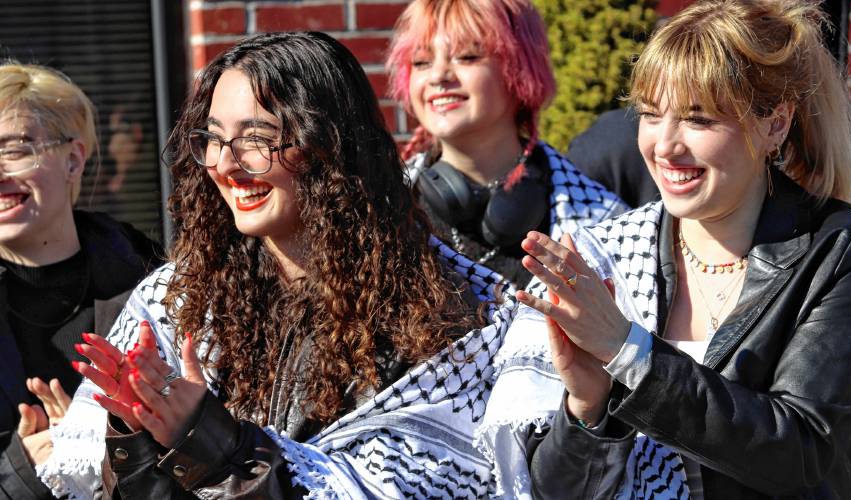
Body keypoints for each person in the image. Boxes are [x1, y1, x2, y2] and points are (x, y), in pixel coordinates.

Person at [39, 32, 518, 499]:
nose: (226, 165)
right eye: (213, 138)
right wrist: (136, 429)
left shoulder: (438, 314)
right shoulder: (183, 297)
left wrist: (207, 439)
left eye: (258, 138)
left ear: (330, 145)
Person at [479, 0, 851, 498]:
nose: (665, 145)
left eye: (698, 118)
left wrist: (629, 353)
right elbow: (550, 492)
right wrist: (587, 409)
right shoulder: (606, 252)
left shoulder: (844, 250)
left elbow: (801, 451)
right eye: (652, 115)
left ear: (774, 125)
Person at [0, 63, 162, 499]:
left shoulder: (158, 292)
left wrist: (108, 442)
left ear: (72, 159)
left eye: (13, 150)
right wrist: (21, 471)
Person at [386, 0, 626, 289]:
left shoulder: (605, 223)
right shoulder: (383, 214)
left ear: (520, 70)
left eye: (467, 56)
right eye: (421, 62)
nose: (438, 76)